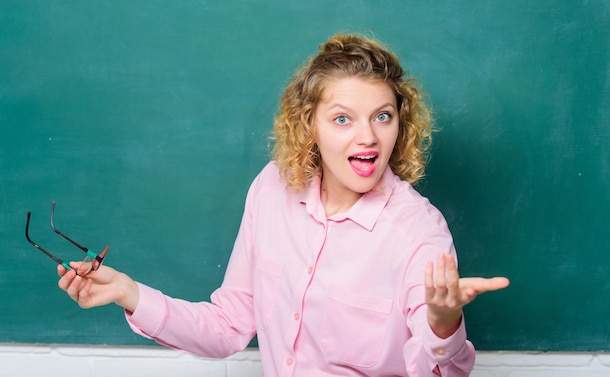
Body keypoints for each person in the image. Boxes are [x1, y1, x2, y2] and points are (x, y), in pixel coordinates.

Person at [58, 33, 509, 377]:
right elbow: (228, 325)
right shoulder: (273, 188)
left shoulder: (418, 231)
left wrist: (444, 323)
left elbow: (440, 372)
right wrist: (127, 293)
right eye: (342, 119)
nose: (368, 137)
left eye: (382, 116)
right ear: (308, 124)